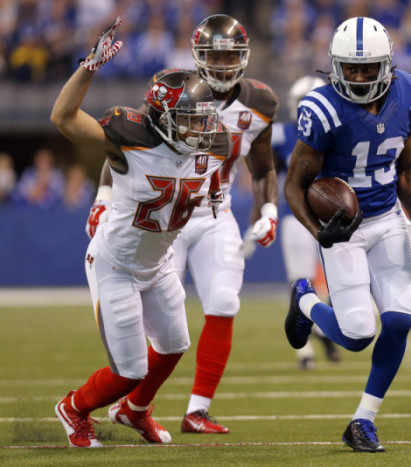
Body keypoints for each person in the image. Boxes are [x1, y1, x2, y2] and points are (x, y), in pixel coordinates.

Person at [85, 14, 279, 434]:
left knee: (224, 302)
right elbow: (126, 146)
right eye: (215, 56)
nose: (224, 65)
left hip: (213, 210)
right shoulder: (177, 89)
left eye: (232, 57)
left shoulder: (261, 102)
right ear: (197, 56)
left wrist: (268, 210)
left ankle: (197, 410)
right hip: (161, 219)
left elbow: (263, 169)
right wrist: (103, 197)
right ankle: (135, 403)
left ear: (244, 59)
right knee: (155, 331)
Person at [51, 18, 230, 448]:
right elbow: (63, 118)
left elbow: (205, 180)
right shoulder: (131, 135)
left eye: (203, 118)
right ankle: (74, 407)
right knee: (127, 370)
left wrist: (216, 201)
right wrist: (89, 66)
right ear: (163, 117)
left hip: (159, 261)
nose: (202, 127)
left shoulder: (213, 142)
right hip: (117, 263)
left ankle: (133, 411)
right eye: (190, 118)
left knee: (173, 346)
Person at [283, 17, 411, 453]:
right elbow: (293, 186)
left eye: (367, 68)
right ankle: (305, 301)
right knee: (355, 334)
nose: (358, 76)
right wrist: (321, 232)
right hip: (344, 229)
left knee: (400, 320)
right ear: (335, 66)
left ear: (385, 66)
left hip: (387, 217)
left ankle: (362, 422)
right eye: (350, 68)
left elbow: (406, 167)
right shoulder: (322, 109)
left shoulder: (409, 93)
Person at [271, 74, 340, 370]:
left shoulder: (337, 134)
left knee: (332, 284)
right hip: (297, 216)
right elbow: (269, 172)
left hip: (330, 216)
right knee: (299, 282)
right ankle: (307, 348)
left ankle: (322, 330)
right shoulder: (283, 134)